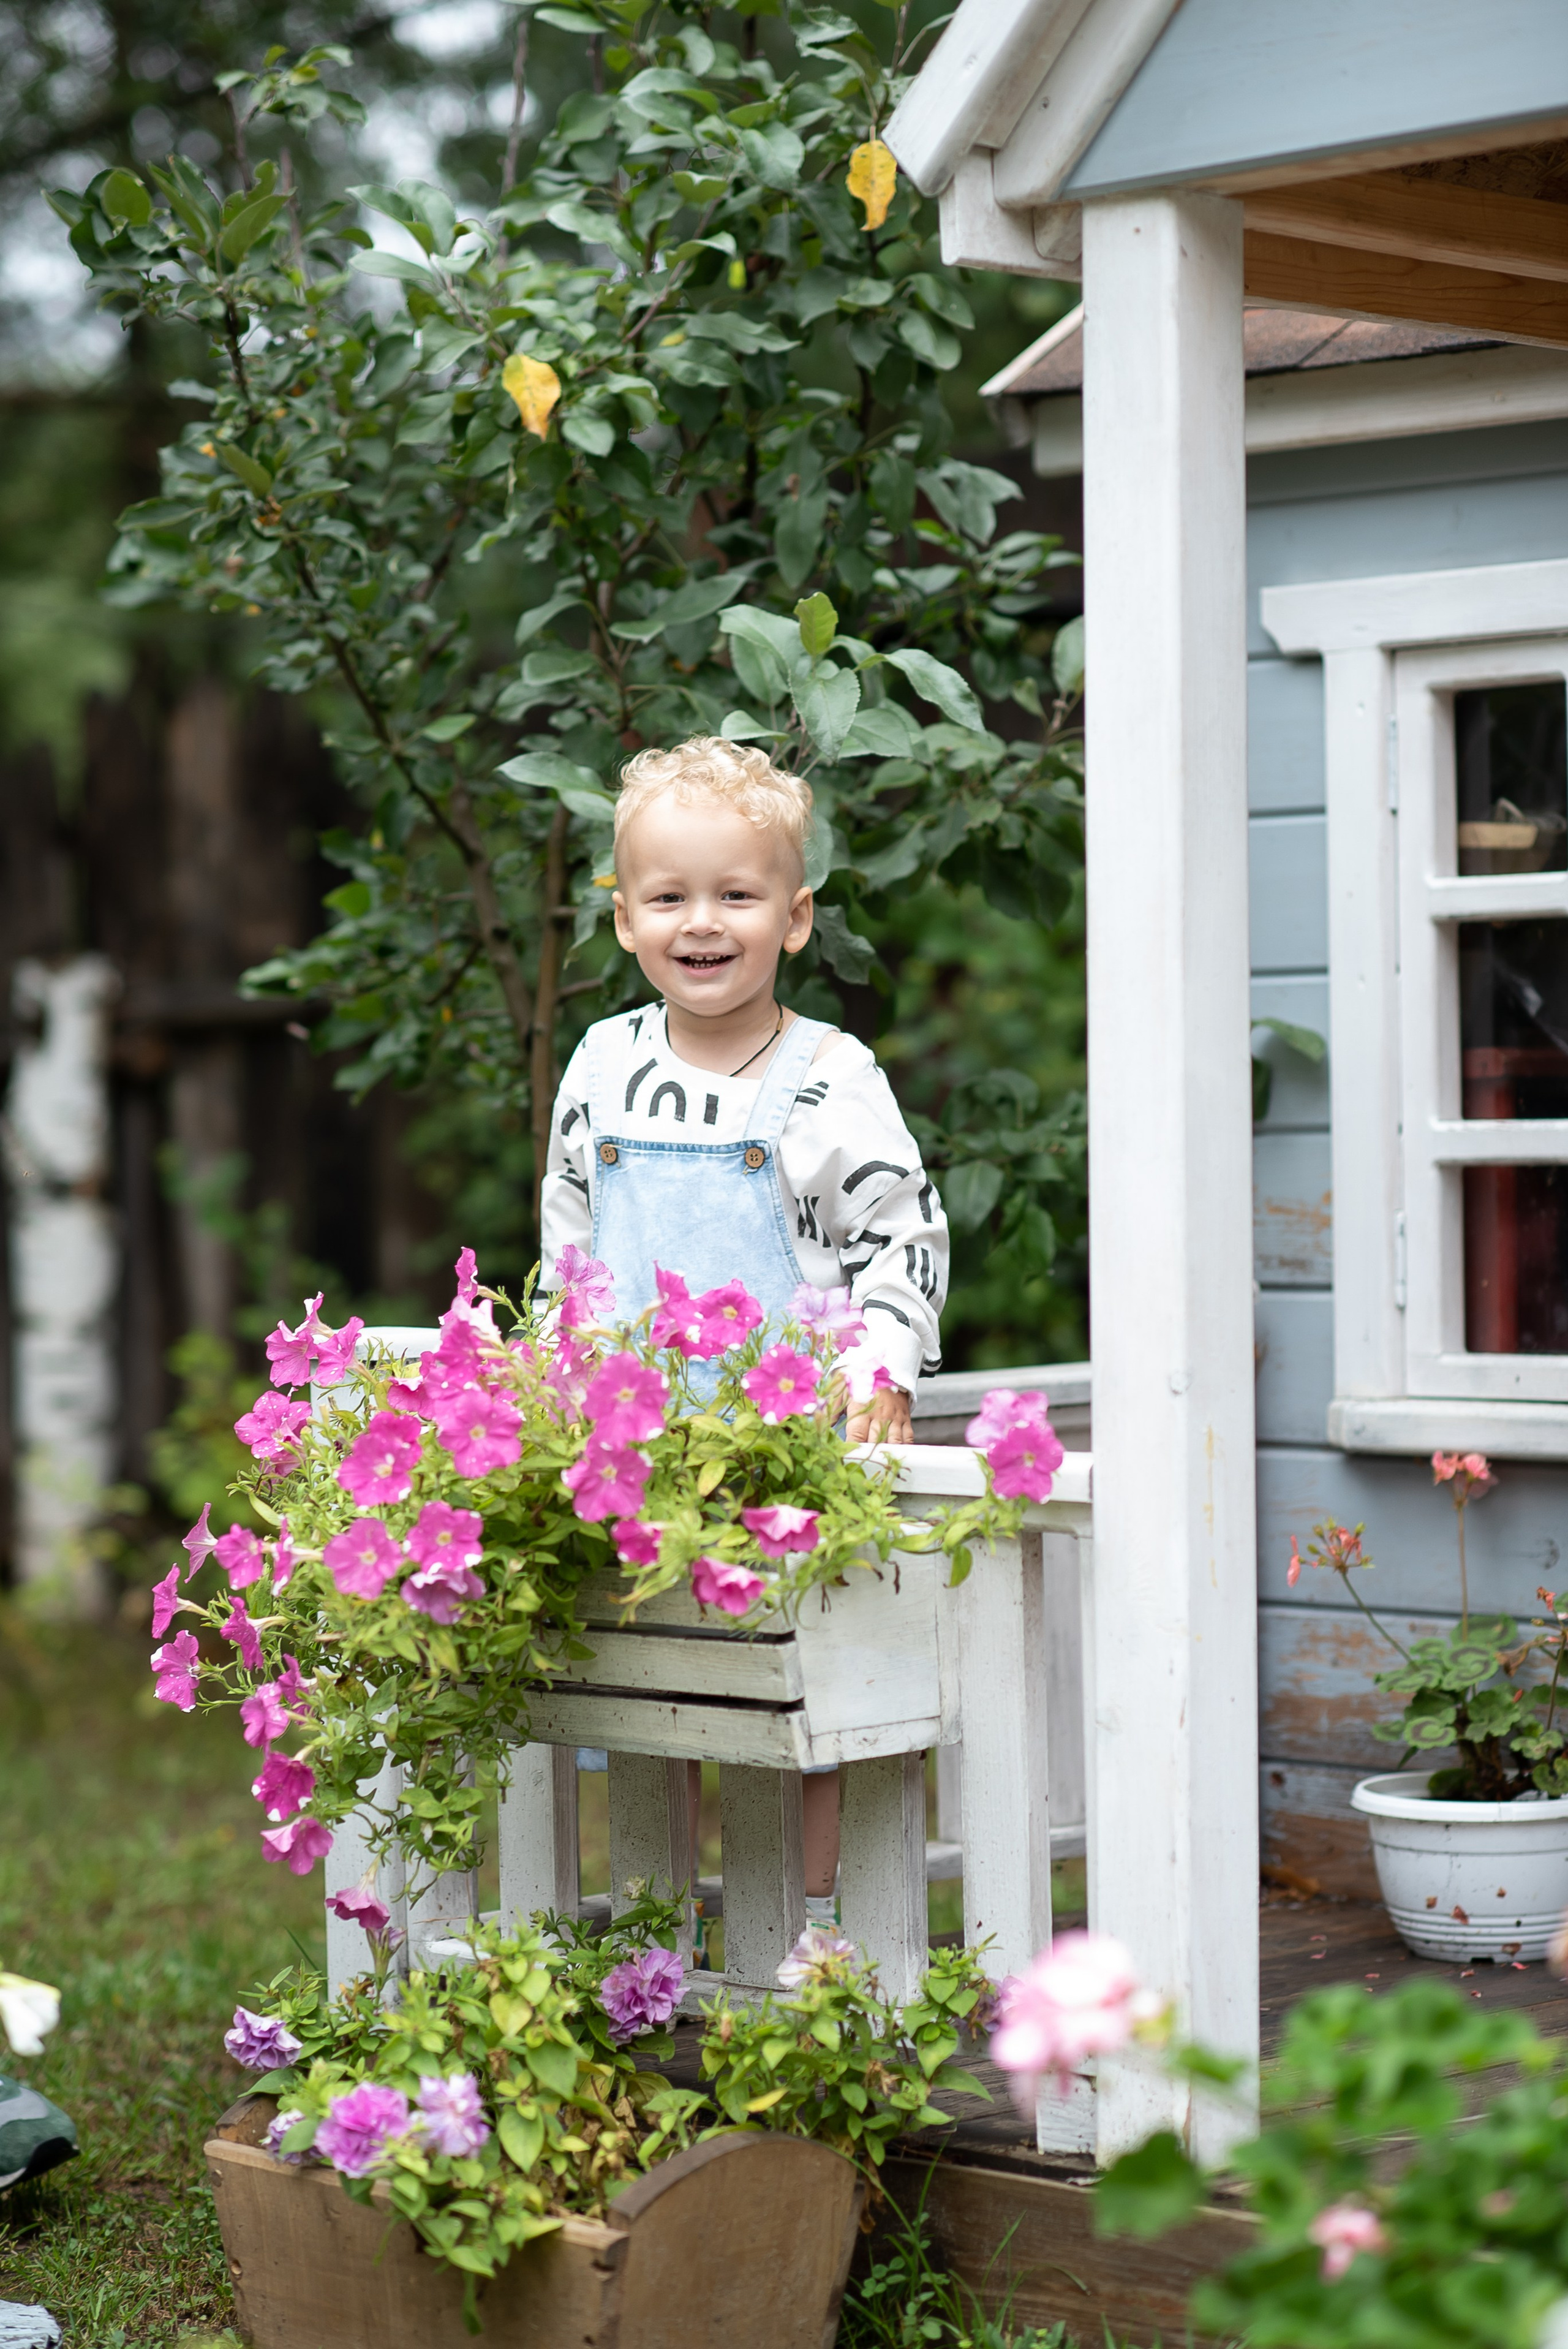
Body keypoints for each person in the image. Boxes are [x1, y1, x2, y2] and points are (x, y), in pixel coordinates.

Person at [540, 735, 949, 1913]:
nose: (702, 922)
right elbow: (574, 1233)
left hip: (790, 1443)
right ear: (625, 920)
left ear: (797, 915)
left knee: (801, 1688)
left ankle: (810, 1913)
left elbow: (901, 1233)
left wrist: (882, 1370)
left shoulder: (829, 1073)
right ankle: (655, 1920)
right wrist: (566, 1363)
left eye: (737, 894)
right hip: (638, 1448)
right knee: (648, 1685)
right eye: (669, 896)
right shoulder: (602, 1063)